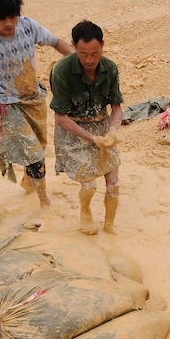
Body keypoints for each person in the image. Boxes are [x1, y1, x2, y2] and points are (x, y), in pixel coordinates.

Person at [0, 0, 74, 212]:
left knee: (39, 147)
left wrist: (81, 61)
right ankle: (45, 205)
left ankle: (31, 181)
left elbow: (56, 43)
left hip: (35, 100)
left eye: (12, 16)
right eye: (2, 18)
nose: (9, 23)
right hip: (8, 106)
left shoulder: (27, 26)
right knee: (35, 155)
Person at [49, 20, 124, 235]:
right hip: (72, 129)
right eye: (83, 54)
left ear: (103, 45)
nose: (89, 60)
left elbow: (117, 107)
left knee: (113, 183)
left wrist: (112, 130)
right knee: (90, 185)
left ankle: (109, 226)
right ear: (73, 46)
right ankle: (85, 212)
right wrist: (91, 139)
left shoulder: (110, 68)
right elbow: (60, 118)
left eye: (95, 53)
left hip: (100, 124)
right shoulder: (61, 71)